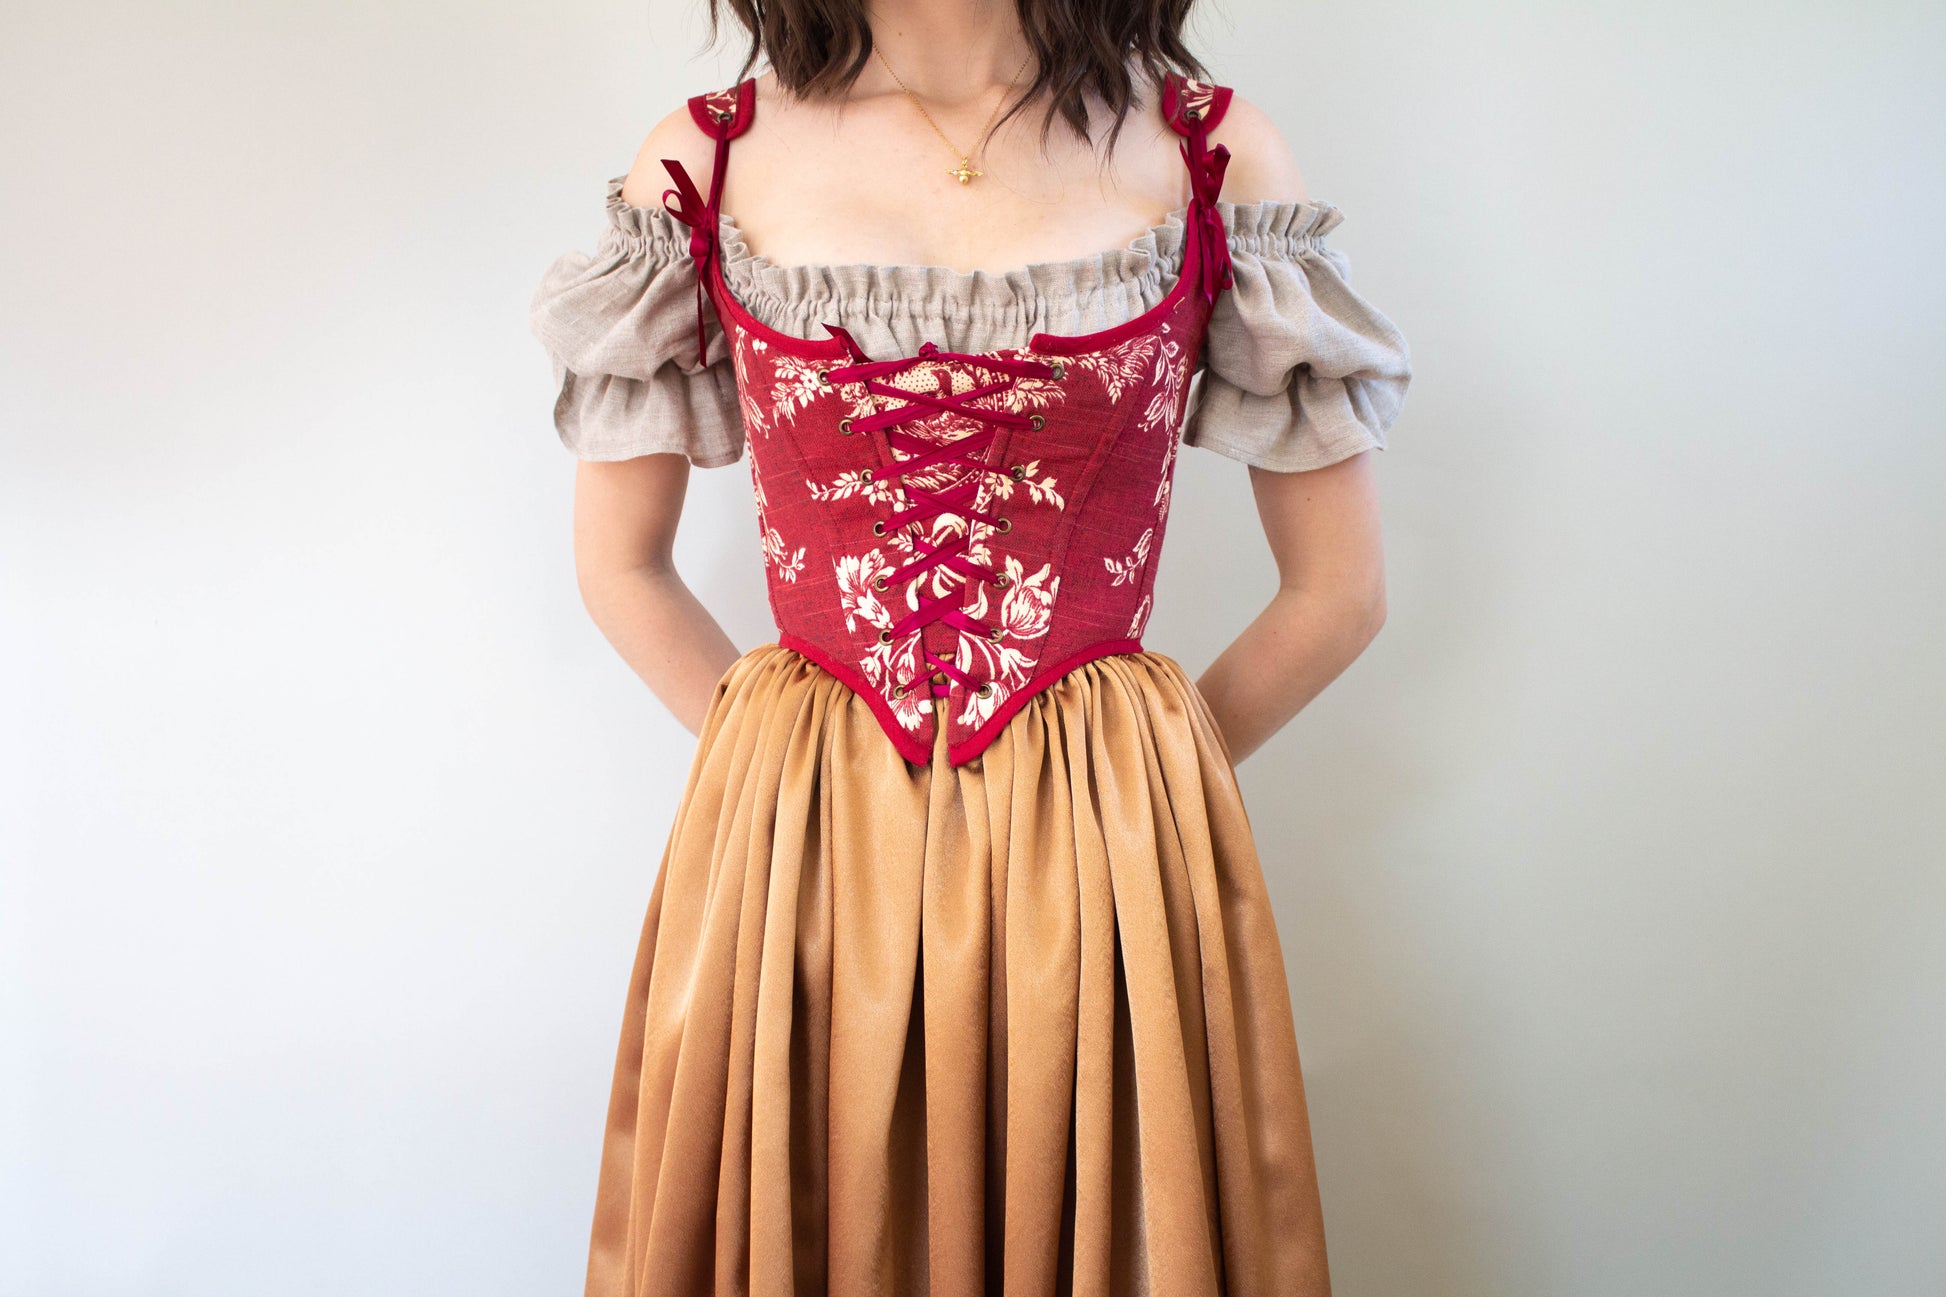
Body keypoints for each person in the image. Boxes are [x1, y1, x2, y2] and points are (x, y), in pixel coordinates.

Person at [528, 1, 1411, 1291]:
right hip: (807, 868)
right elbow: (621, 566)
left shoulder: (1210, 155)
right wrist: (788, 783)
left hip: (1102, 876)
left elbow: (1339, 592)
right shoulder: (701, 163)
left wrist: (1131, 794)